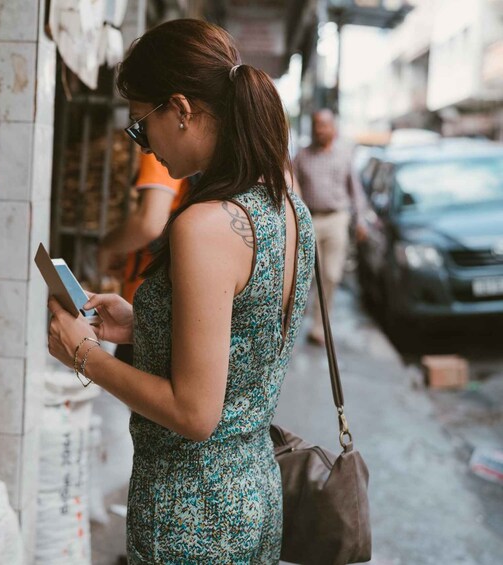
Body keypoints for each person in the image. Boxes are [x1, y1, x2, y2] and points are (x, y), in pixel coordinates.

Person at [46, 19, 316, 563]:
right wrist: (145, 324)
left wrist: (84, 355)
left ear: (182, 109)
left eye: (141, 128)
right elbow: (246, 337)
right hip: (253, 493)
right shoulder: (284, 205)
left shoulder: (205, 225)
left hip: (190, 515)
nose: (144, 145)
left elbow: (195, 413)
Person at [97, 152, 189, 365]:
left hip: (152, 301)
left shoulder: (162, 151)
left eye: (141, 120)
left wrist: (107, 246)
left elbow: (150, 222)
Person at [293, 109, 367, 345]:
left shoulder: (344, 156)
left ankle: (319, 327)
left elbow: (356, 191)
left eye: (324, 125)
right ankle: (298, 321)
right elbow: (293, 188)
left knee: (332, 274)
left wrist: (361, 220)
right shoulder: (302, 156)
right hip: (310, 219)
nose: (319, 129)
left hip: (337, 218)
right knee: (308, 275)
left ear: (333, 129)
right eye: (316, 125)